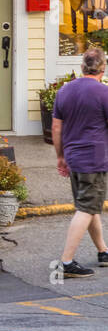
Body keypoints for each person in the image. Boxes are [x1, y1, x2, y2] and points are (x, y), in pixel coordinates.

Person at [52, 46, 108, 278]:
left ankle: (103, 251)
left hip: (74, 157)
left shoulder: (64, 91)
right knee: (87, 207)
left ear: (82, 67)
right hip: (94, 158)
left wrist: (61, 156)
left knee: (89, 206)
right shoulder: (103, 93)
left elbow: (56, 127)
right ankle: (66, 262)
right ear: (102, 68)